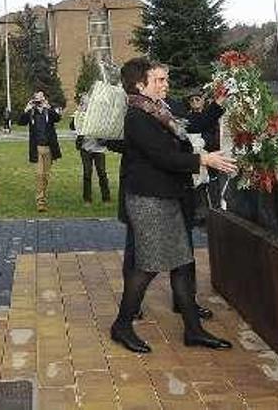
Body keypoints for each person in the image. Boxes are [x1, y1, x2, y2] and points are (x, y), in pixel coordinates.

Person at [109, 58, 237, 355]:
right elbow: (163, 157)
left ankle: (193, 330)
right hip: (148, 201)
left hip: (166, 196)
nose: (166, 85)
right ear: (140, 85)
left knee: (181, 262)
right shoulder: (137, 116)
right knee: (147, 266)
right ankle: (122, 325)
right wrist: (203, 159)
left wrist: (216, 105)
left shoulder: (160, 110)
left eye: (166, 79)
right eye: (159, 80)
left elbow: (188, 128)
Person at [18, 90, 63, 212]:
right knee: (39, 175)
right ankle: (40, 202)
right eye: (37, 99)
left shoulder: (49, 111)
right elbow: (21, 122)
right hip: (37, 148)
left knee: (46, 175)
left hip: (49, 148)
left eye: (41, 98)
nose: (39, 101)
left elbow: (58, 118)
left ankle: (43, 193)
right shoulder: (31, 113)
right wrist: (26, 109)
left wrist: (48, 107)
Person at [73, 94, 112, 204]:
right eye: (85, 103)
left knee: (102, 173)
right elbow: (72, 126)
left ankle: (106, 198)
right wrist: (78, 114)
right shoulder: (79, 116)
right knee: (87, 173)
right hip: (85, 148)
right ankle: (87, 199)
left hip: (98, 148)